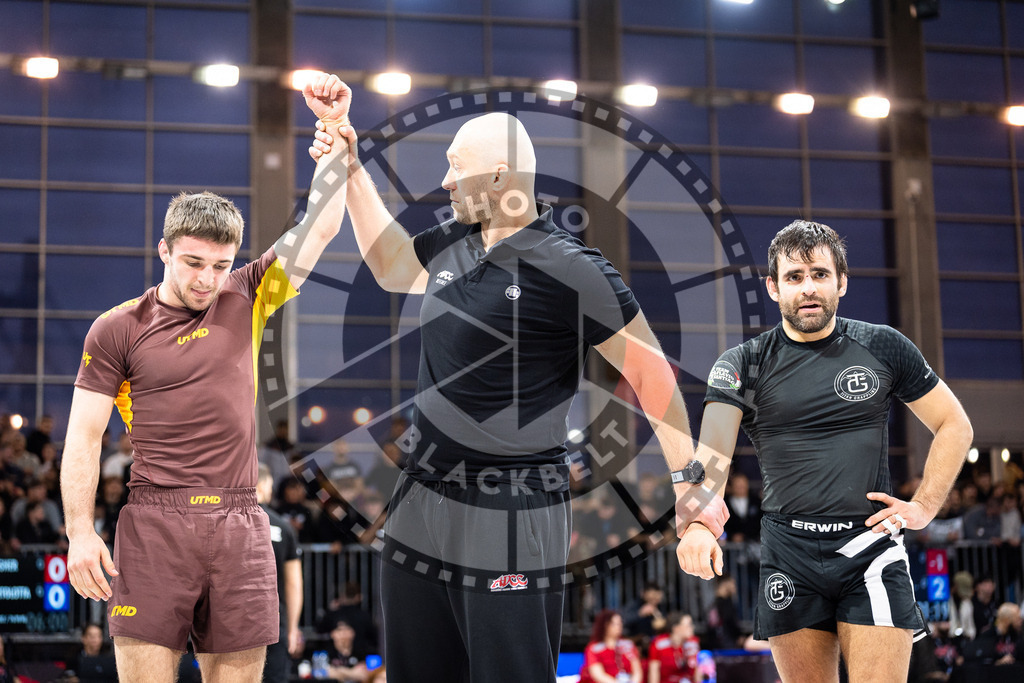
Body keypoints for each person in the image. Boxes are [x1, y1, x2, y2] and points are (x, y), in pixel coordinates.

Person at [309, 100, 727, 682]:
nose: (445, 181)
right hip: (419, 499)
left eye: (456, 166)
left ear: (500, 176)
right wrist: (352, 165)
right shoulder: (458, 239)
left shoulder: (572, 267)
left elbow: (652, 377)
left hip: (508, 505)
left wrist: (692, 492)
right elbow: (389, 264)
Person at [60, 73, 353, 683]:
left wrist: (333, 133)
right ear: (163, 250)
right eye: (193, 263)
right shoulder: (115, 328)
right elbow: (84, 439)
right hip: (153, 524)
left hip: (240, 524)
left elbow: (320, 228)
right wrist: (80, 533)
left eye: (221, 265)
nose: (206, 280)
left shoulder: (246, 294)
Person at [677, 221, 974, 682]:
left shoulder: (883, 346)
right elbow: (712, 457)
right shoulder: (741, 364)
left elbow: (954, 424)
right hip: (788, 555)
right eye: (794, 277)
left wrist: (924, 507)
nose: (808, 288)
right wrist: (697, 523)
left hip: (870, 549)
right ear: (773, 288)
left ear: (842, 281)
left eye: (819, 274)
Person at [257, 465, 303, 683]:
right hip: (273, 622)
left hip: (232, 622)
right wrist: (293, 628)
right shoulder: (283, 527)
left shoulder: (225, 520)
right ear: (264, 485)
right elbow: (293, 584)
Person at [579, 609, 642, 683]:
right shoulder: (594, 649)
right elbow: (598, 675)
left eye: (620, 623)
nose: (619, 626)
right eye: (615, 624)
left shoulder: (628, 645)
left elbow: (637, 670)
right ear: (605, 625)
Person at [647, 613, 701, 683]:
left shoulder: (692, 643)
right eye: (688, 625)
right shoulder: (659, 645)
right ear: (676, 628)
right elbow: (654, 672)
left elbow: (698, 673)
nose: (692, 627)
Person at [622, 581, 667, 646]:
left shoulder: (660, 607)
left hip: (654, 642)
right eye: (651, 599)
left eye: (656, 599)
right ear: (643, 594)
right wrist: (640, 613)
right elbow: (623, 620)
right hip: (635, 642)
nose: (654, 601)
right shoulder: (634, 605)